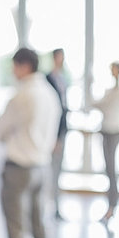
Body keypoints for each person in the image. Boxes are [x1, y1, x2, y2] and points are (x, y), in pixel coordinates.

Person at [0, 48, 60, 238]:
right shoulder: (49, 93)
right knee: (40, 231)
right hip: (42, 167)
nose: (12, 71)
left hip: (19, 169)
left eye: (14, 66)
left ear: (22, 66)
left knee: (16, 234)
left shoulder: (22, 95)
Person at [92, 61, 119, 223]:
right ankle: (111, 205)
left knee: (110, 169)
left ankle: (112, 205)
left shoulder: (117, 91)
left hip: (112, 131)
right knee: (109, 169)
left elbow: (102, 105)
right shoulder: (113, 89)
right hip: (108, 130)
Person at [46, 48, 69, 219]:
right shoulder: (48, 79)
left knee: (57, 171)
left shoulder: (62, 78)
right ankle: (48, 207)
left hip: (61, 131)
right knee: (49, 171)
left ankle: (56, 207)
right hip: (51, 134)